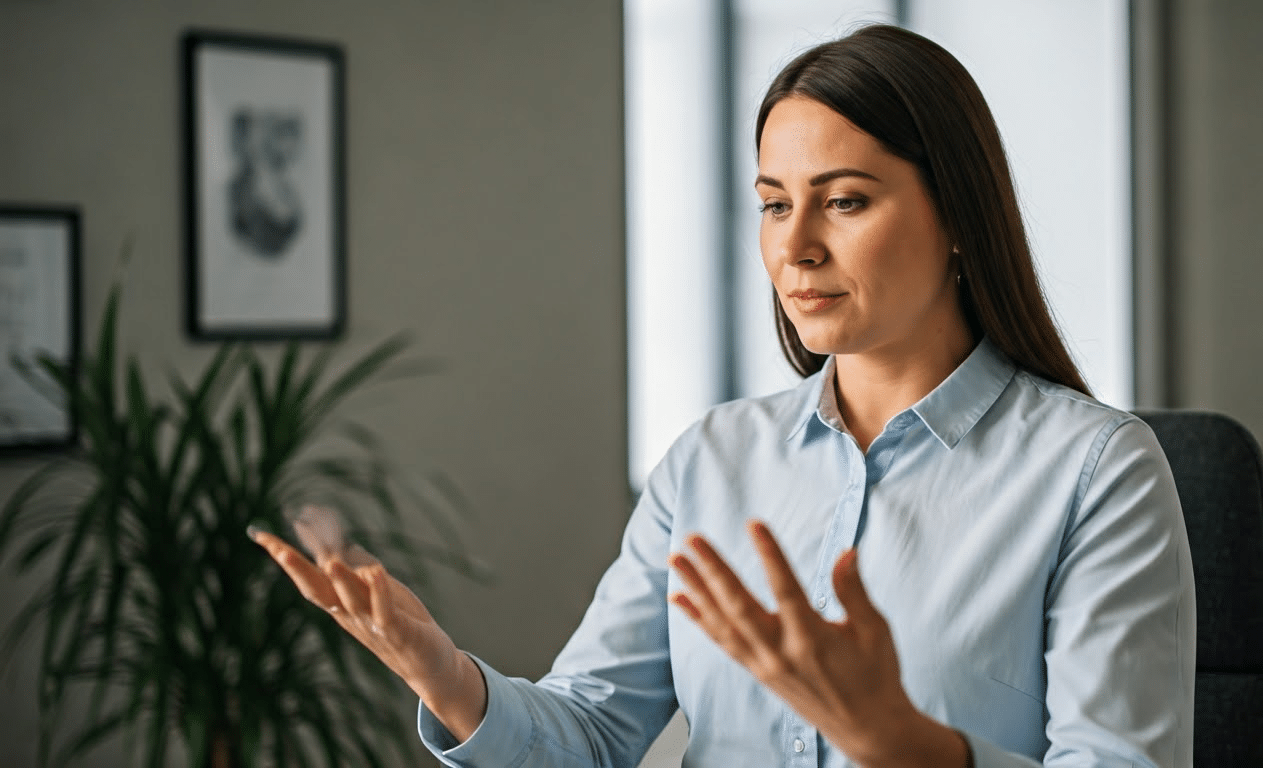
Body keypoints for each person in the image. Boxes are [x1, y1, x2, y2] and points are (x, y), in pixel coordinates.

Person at [251, 24, 1194, 768]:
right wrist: (447, 675)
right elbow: (592, 737)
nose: (796, 248)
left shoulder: (1094, 473)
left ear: (956, 214)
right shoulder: (710, 464)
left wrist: (915, 752)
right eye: (776, 203)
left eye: (847, 200)